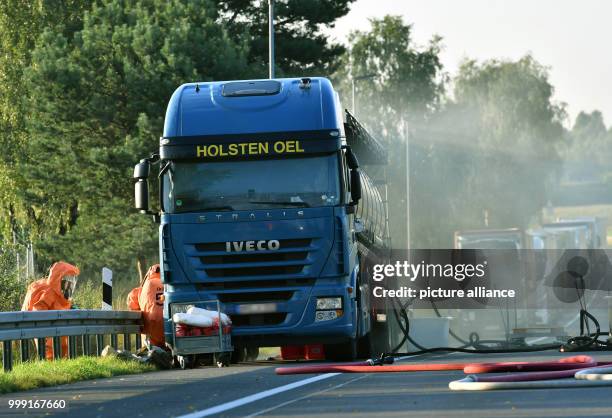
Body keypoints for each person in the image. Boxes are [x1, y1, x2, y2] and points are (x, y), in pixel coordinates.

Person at [21, 261, 80, 359]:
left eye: (71, 283)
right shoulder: (49, 293)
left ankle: (60, 365)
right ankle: (50, 365)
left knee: (63, 346)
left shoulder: (61, 295)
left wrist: (72, 308)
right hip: (44, 328)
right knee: (50, 349)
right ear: (59, 281)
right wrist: (45, 326)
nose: (69, 286)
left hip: (56, 327)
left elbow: (60, 306)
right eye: (67, 282)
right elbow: (38, 310)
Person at [127, 264, 165, 348]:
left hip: (152, 327)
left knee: (152, 347)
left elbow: (132, 300)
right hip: (172, 327)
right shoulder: (171, 284)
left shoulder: (145, 286)